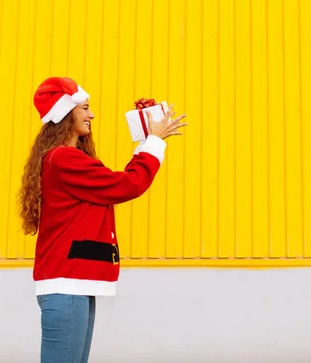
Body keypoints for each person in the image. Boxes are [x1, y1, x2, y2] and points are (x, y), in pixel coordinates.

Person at [17, 77, 186, 363]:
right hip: (66, 284)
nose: (91, 114)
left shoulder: (63, 158)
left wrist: (147, 143)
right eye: (84, 108)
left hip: (73, 283)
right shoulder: (64, 159)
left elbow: (116, 183)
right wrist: (154, 142)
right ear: (65, 115)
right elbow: (126, 185)